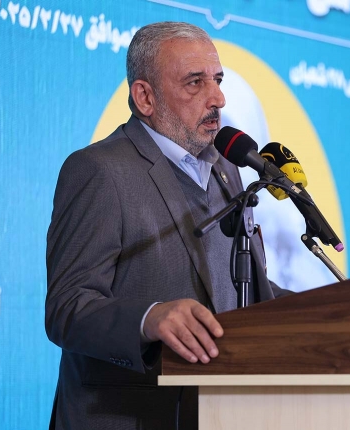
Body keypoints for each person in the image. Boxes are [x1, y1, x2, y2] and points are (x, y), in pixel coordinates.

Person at [45, 21, 288, 430]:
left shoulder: (227, 169)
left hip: (218, 414)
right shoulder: (99, 171)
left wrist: (334, 310)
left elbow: (247, 290)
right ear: (145, 97)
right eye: (195, 82)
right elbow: (67, 307)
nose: (218, 98)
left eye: (217, 80)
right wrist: (150, 318)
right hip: (127, 417)